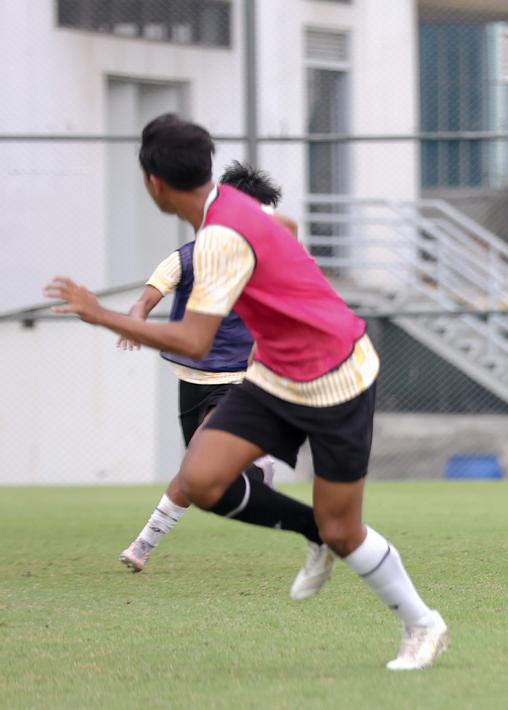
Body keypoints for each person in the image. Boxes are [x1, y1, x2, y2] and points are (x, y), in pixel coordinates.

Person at [44, 114, 449, 669]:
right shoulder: (233, 205)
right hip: (276, 372)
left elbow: (193, 337)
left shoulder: (216, 241)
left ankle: (423, 624)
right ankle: (313, 533)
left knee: (345, 528)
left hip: (337, 377)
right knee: (201, 480)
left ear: (152, 183)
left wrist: (103, 315)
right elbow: (283, 226)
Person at [117, 161, 296, 573]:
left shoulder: (266, 261)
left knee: (193, 466)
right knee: (206, 478)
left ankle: (142, 546)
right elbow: (150, 292)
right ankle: (256, 467)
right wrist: (137, 316)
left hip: (237, 379)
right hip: (191, 376)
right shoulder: (191, 256)